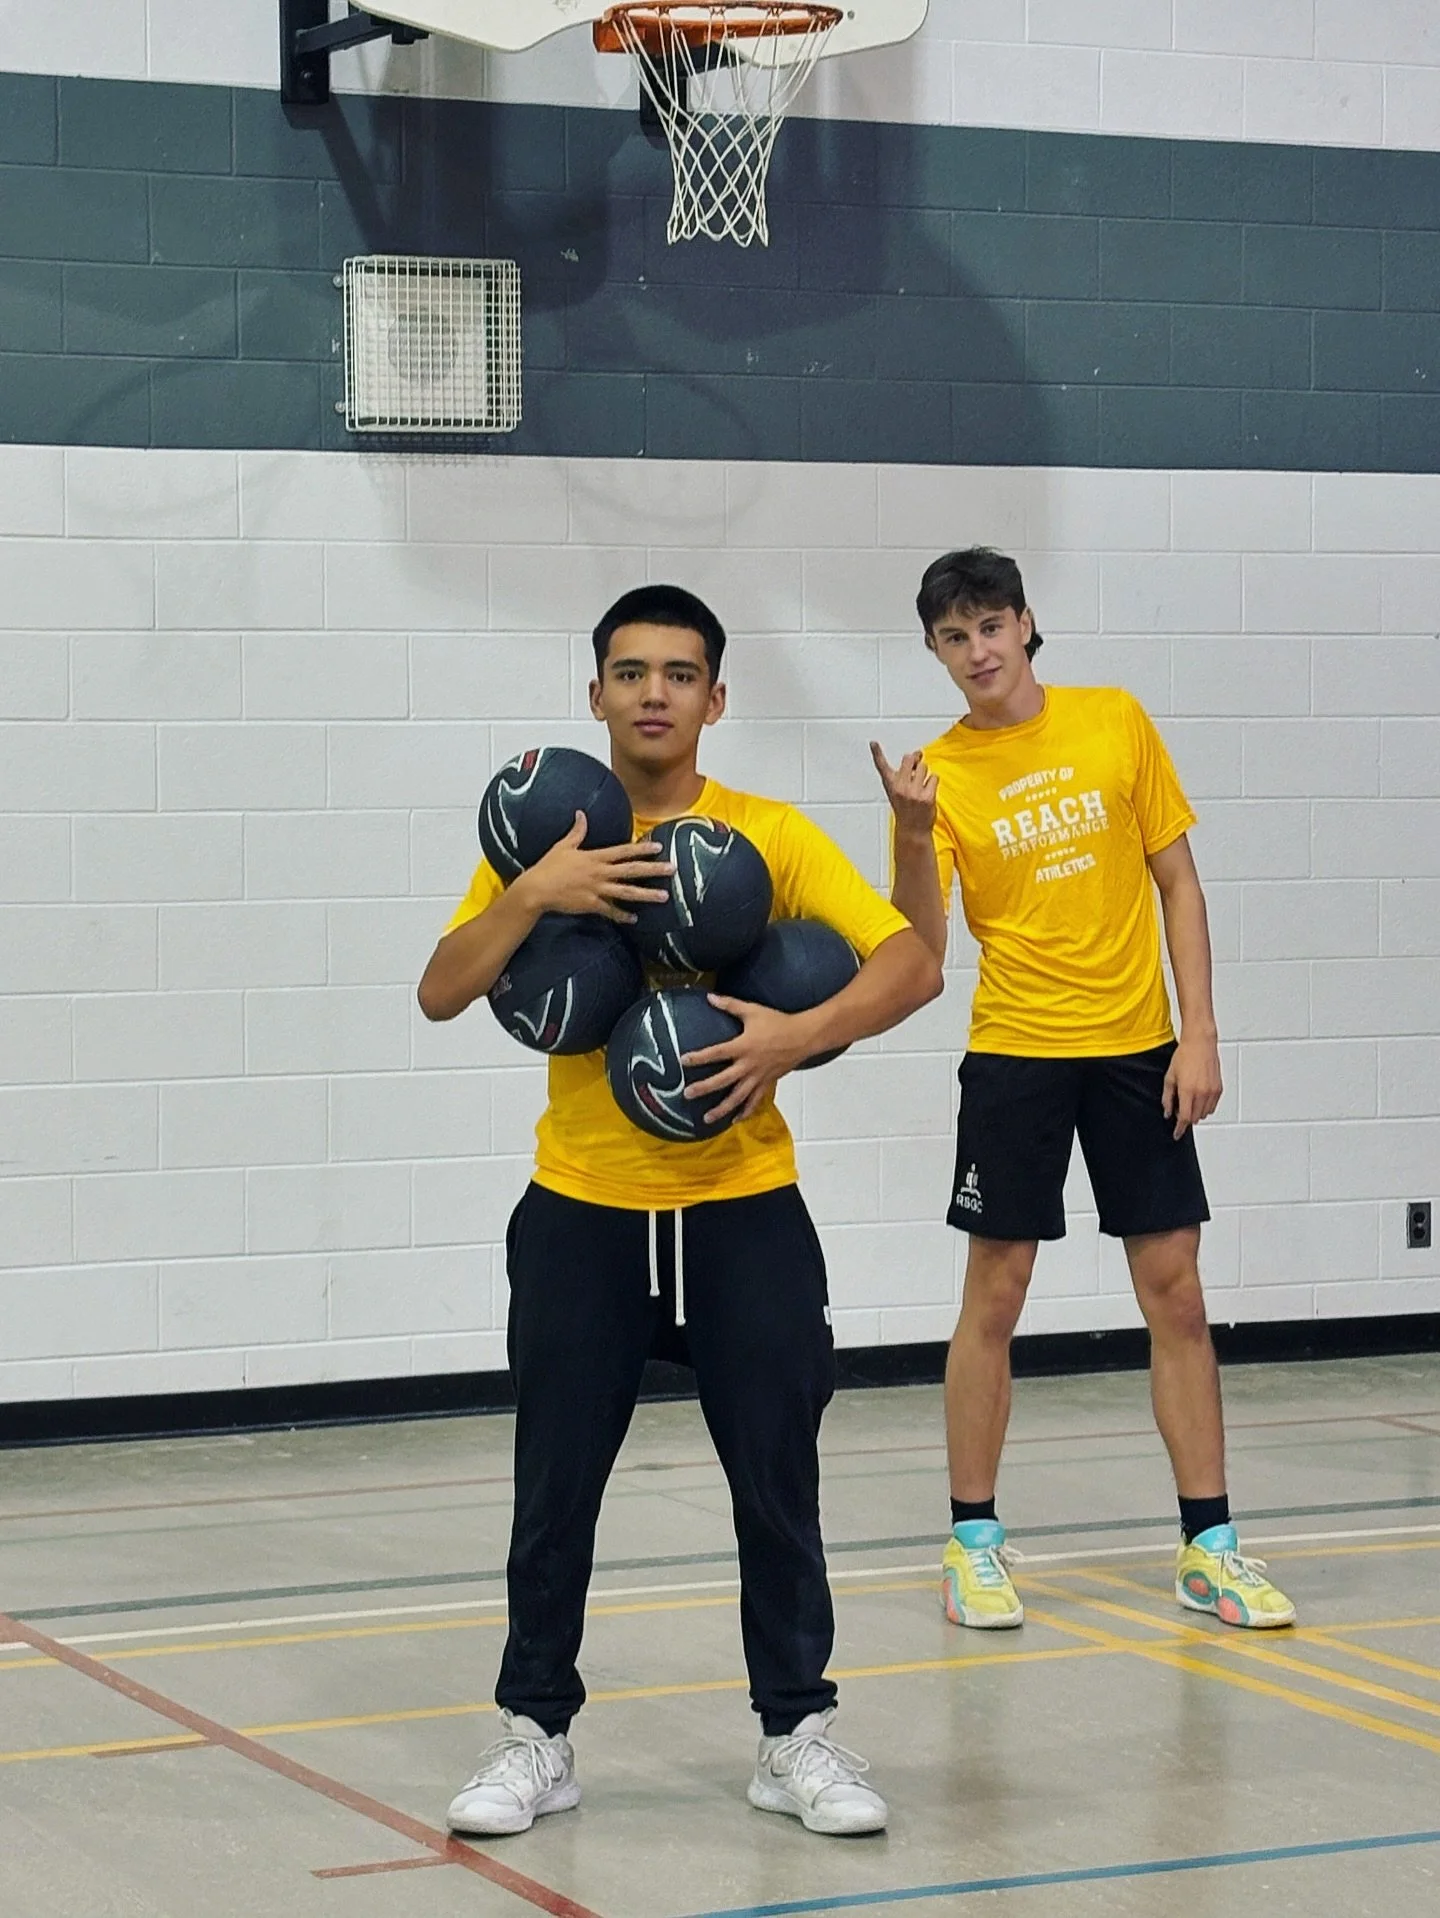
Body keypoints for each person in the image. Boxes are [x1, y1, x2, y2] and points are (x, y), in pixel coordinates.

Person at [419, 584, 942, 1839]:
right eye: (631, 670)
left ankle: (795, 1735)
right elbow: (442, 990)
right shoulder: (546, 846)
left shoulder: (766, 835)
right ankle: (534, 1734)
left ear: (717, 696)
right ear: (593, 691)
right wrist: (533, 896)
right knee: (554, 1485)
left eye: (681, 672)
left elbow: (916, 963)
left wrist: (797, 1035)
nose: (655, 691)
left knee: (777, 1480)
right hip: (583, 1208)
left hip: (742, 1208)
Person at [872, 547, 1295, 1638]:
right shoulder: (939, 776)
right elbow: (920, 940)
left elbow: (1179, 881)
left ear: (1025, 624)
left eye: (991, 626)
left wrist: (1198, 1031)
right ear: (934, 651)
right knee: (996, 1294)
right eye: (954, 637)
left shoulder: (1115, 720)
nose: (978, 650)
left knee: (1178, 1294)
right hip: (1016, 1052)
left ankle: (1209, 1546)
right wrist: (913, 831)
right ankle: (973, 1543)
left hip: (1136, 1050)